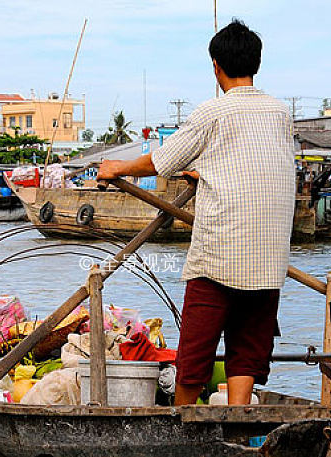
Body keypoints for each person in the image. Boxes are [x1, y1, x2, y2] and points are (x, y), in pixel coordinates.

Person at [97, 20, 295, 405]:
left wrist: (116, 168)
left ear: (216, 67)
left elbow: (160, 160)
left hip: (220, 255)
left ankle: (182, 426)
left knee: (195, 353)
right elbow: (260, 165)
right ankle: (238, 421)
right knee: (247, 349)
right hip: (270, 258)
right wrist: (208, 170)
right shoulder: (280, 114)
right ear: (255, 64)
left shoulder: (213, 112)